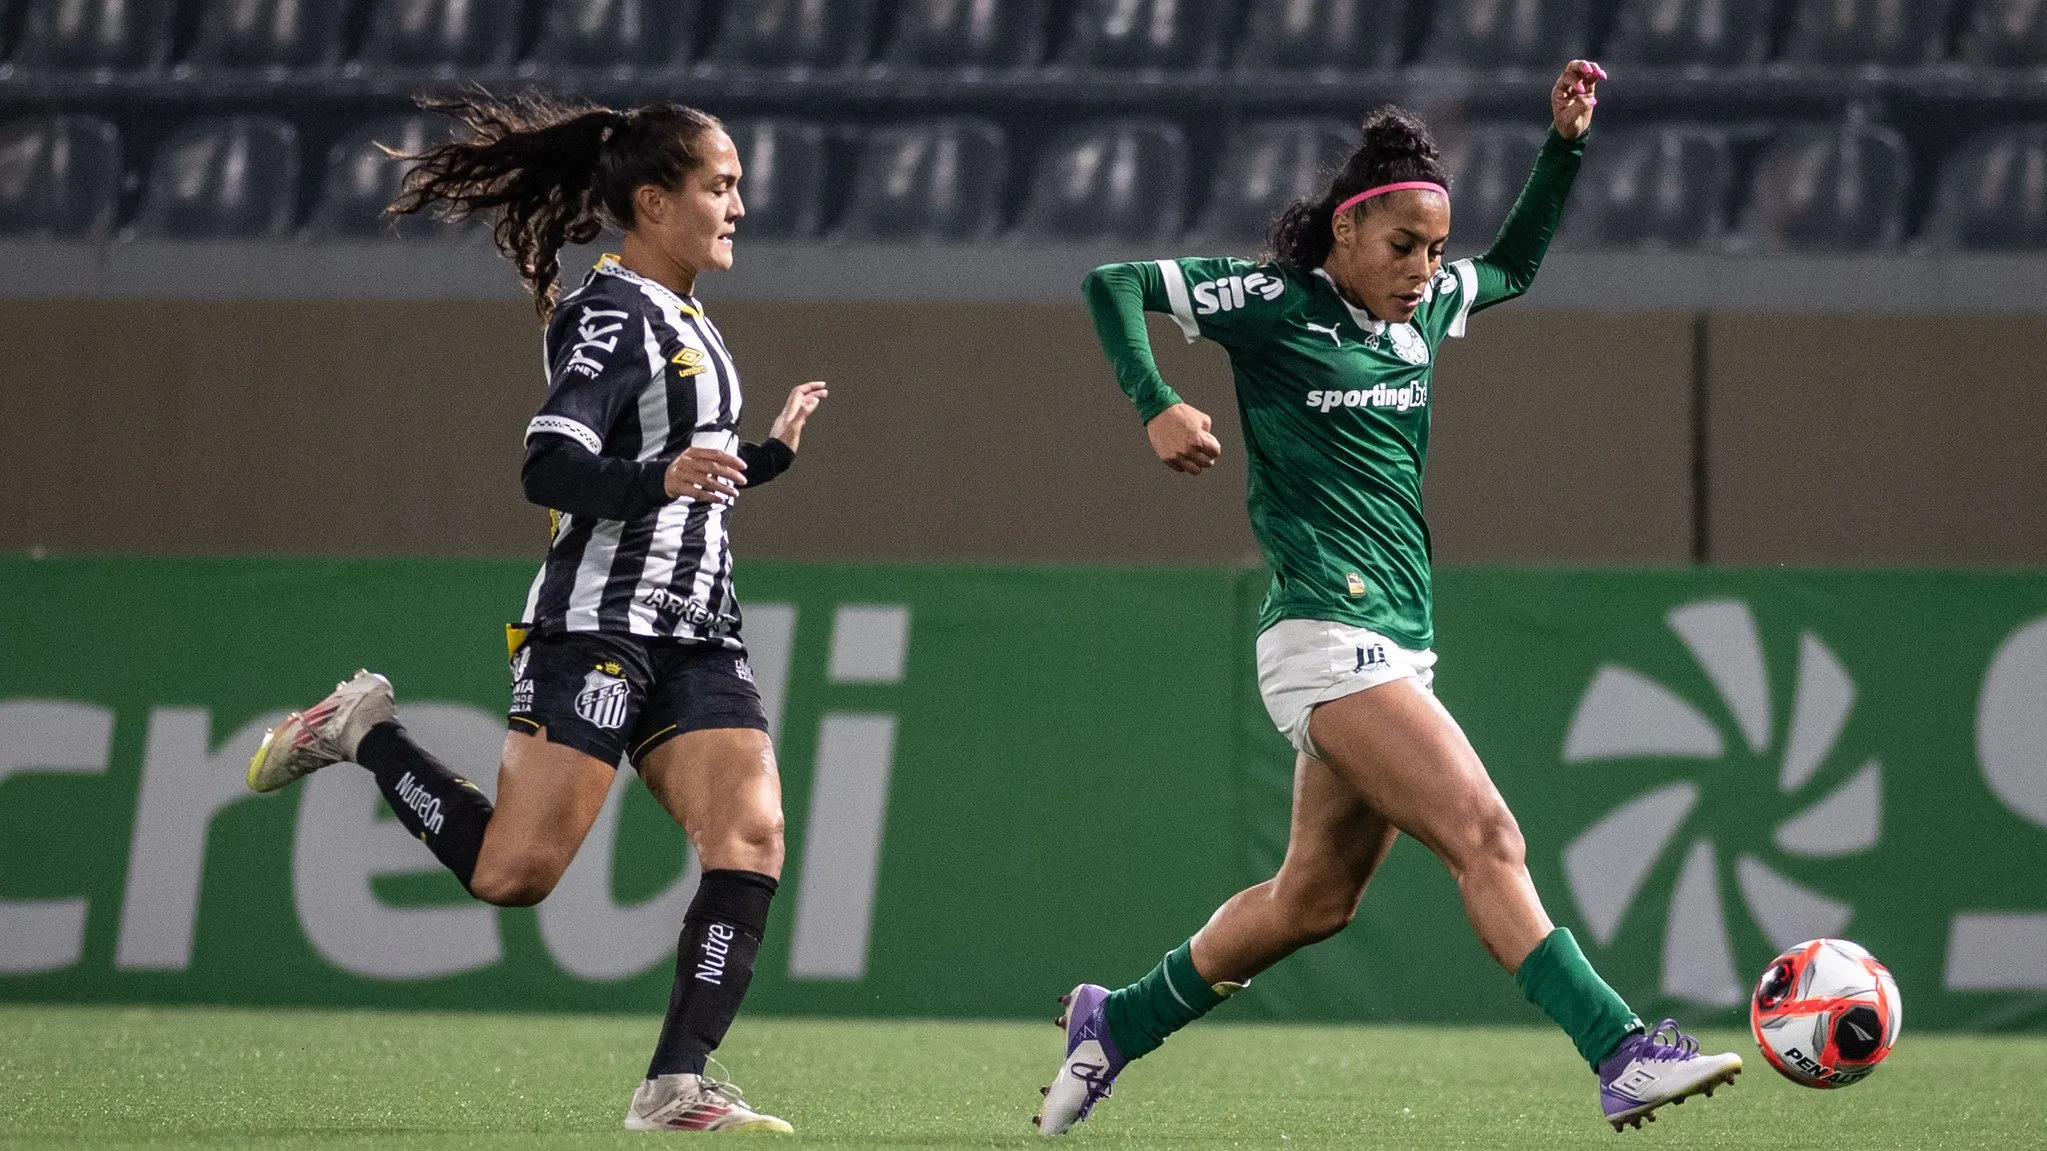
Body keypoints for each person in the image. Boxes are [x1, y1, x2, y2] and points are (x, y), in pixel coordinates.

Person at [1039, 62, 1742, 1136]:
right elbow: (1113, 281)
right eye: (1401, 246)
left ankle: (1114, 1017)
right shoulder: (1272, 303)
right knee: (1486, 833)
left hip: (1396, 642)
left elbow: (1507, 265)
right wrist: (1158, 400)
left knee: (1312, 900)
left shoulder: (1432, 308)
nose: (1423, 268)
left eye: (1431, 248)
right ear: (1344, 236)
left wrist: (1562, 149)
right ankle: (1620, 1049)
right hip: (1325, 634)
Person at [246, 93, 825, 1134]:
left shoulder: (692, 318)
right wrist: (661, 477)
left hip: (697, 630)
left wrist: (762, 453)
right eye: (719, 185)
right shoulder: (609, 315)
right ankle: (364, 731)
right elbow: (550, 463)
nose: (740, 204)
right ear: (654, 199)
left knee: (753, 834)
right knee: (514, 872)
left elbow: (684, 475)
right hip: (598, 626)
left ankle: (676, 1082)